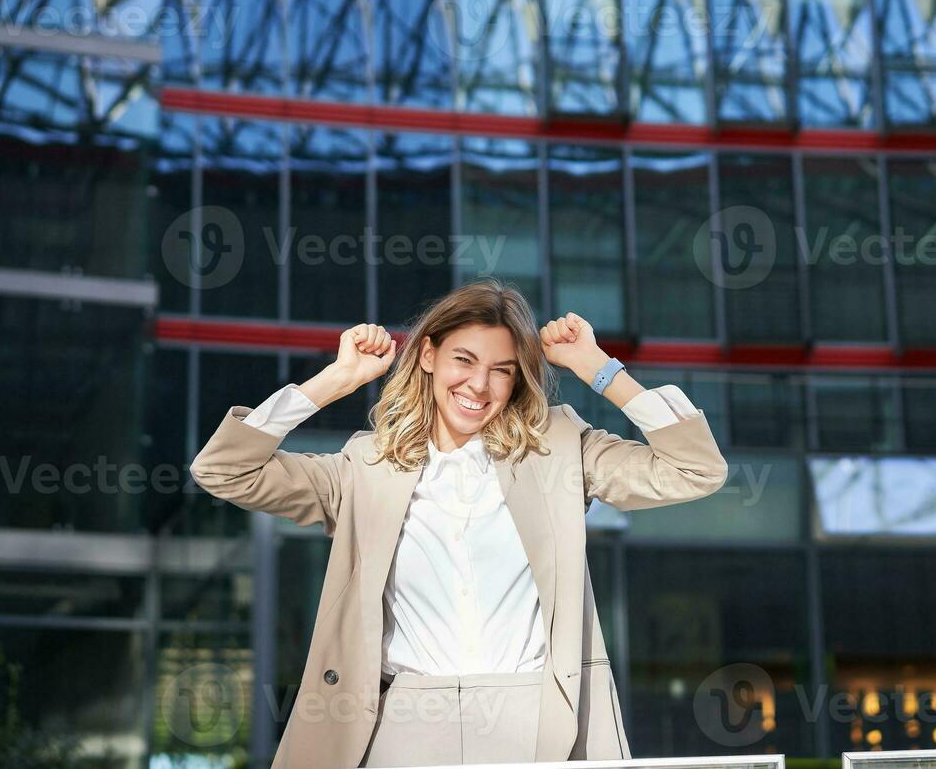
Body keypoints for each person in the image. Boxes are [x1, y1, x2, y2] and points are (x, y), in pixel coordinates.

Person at [188, 277, 728, 768]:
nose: (479, 385)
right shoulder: (365, 466)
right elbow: (224, 470)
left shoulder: (559, 448)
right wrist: (336, 380)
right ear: (428, 354)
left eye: (502, 371)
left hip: (534, 717)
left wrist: (598, 368)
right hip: (402, 721)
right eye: (464, 360)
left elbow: (695, 470)